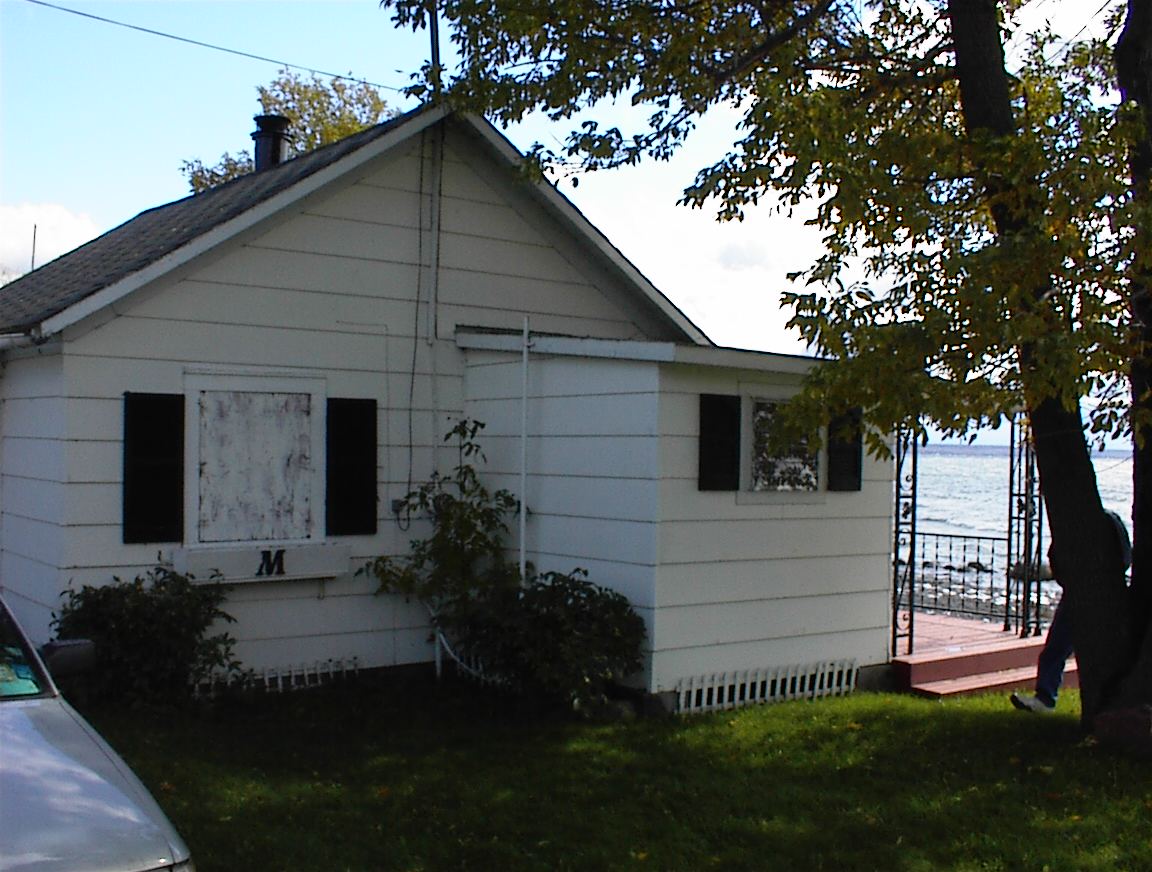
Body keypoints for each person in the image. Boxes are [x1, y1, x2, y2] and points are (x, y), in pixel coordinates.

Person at [1010, 508, 1131, 713]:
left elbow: (1057, 559)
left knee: (1058, 648)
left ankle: (1047, 697)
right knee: (1061, 648)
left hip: (1084, 592)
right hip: (1093, 590)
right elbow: (1125, 556)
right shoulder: (1106, 523)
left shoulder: (1083, 524)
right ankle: (1048, 697)